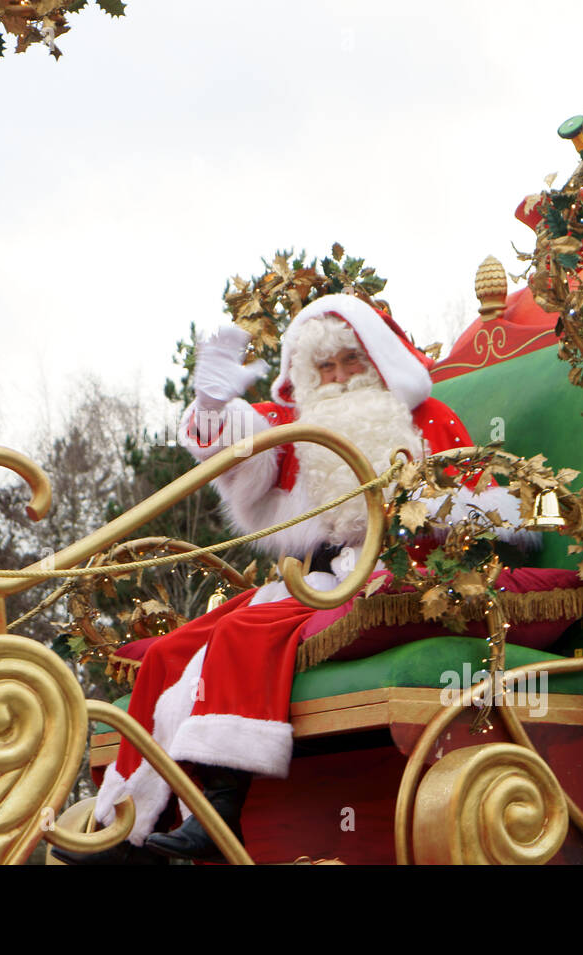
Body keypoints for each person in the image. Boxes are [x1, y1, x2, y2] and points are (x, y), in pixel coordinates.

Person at [52, 293, 529, 865]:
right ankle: (122, 828)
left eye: (351, 363)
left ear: (377, 360)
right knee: (169, 652)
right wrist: (212, 406)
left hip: (387, 573)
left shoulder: (426, 420)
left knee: (245, 632)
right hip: (315, 578)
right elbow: (244, 447)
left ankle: (217, 816)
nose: (339, 378)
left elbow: (485, 516)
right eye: (325, 368)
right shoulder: (301, 427)